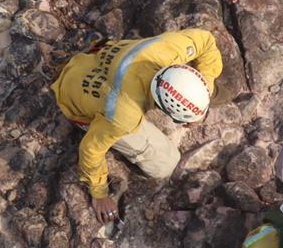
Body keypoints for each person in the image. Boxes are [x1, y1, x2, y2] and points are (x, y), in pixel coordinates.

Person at [51, 29, 223, 223]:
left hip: (91, 61)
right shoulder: (124, 116)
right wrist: (99, 193)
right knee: (166, 163)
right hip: (70, 93)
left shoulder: (164, 50)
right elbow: (90, 149)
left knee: (219, 84)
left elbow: (206, 40)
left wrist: (206, 82)